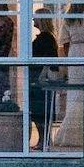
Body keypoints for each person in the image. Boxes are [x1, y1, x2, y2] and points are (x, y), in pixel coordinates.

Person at [52, 0, 84, 148]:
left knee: (76, 92)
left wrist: (67, 59)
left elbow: (64, 42)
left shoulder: (68, 18)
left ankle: (73, 129)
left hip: (75, 52)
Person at [30, 13, 58, 148]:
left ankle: (44, 140)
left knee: (41, 110)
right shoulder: (46, 37)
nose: (33, 19)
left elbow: (50, 59)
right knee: (38, 111)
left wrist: (42, 75)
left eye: (35, 17)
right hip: (37, 76)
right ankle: (42, 140)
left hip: (40, 77)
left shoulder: (46, 38)